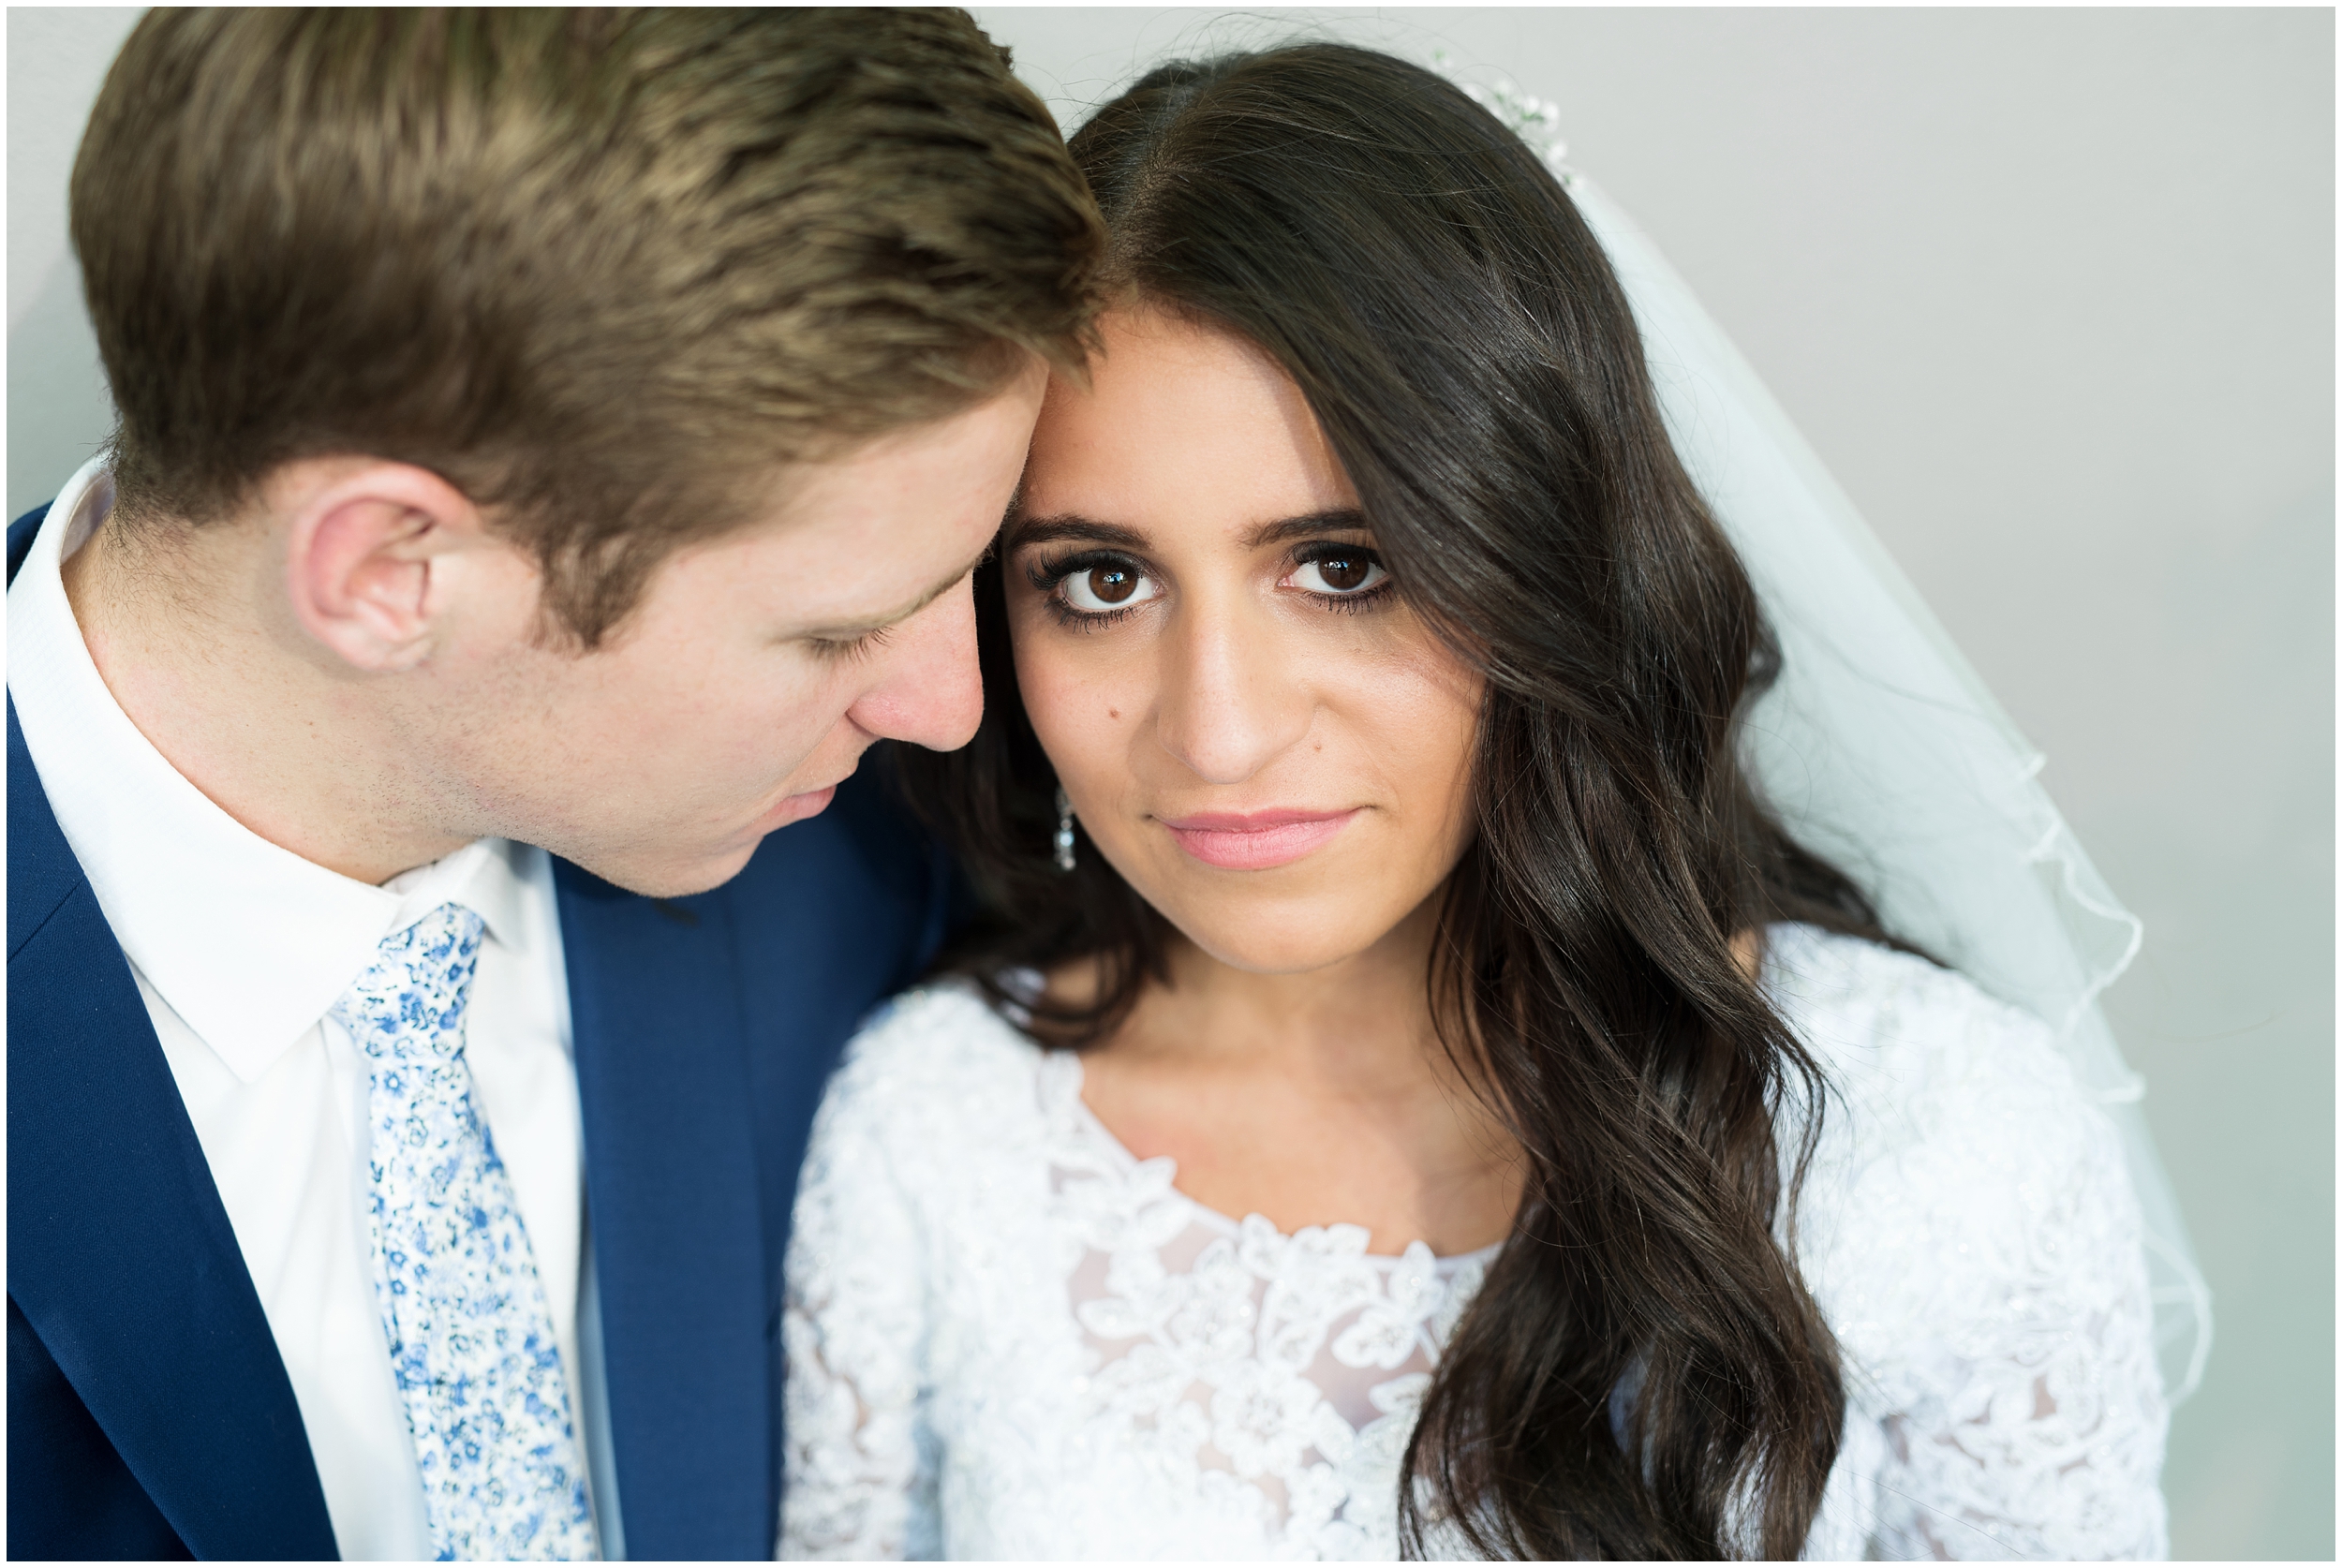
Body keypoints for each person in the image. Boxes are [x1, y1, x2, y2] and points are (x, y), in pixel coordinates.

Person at [778, 43, 2173, 1560]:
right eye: (1100, 581)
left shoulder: (1938, 1138)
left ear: (1543, 562)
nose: (1222, 731)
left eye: (1345, 566)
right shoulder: (934, 1132)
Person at [7, 8, 1100, 1560]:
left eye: (966, 575)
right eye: (837, 626)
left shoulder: (864, 865)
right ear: (391, 572)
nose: (952, 706)